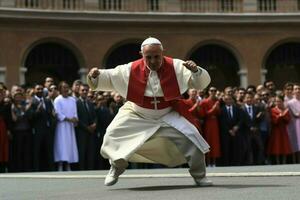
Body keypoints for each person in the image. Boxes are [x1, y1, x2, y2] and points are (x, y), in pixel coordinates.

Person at [87, 37, 212, 186]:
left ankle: (200, 176)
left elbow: (199, 84)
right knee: (112, 134)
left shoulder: (177, 66)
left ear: (162, 53)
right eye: (148, 57)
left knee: (193, 138)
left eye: (157, 57)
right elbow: (109, 76)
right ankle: (116, 167)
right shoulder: (130, 69)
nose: (153, 61)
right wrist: (94, 76)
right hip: (137, 113)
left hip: (167, 114)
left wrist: (196, 71)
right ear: (141, 54)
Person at [53, 81, 79, 171]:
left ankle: (68, 165)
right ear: (60, 89)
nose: (66, 89)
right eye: (64, 87)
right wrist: (68, 119)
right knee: (61, 144)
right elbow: (58, 114)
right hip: (61, 126)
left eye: (67, 87)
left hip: (70, 126)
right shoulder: (57, 100)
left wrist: (75, 118)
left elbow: (75, 113)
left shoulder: (72, 100)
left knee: (69, 145)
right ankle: (60, 164)